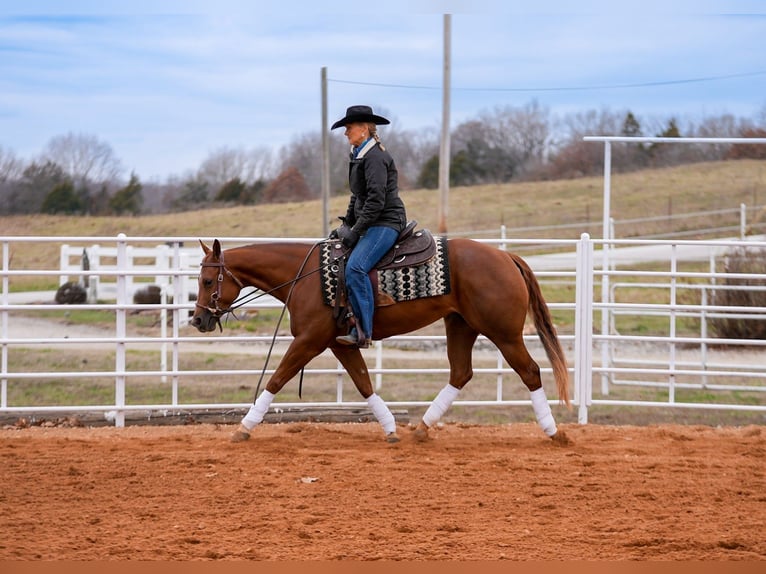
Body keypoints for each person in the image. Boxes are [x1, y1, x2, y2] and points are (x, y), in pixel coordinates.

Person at [329, 105, 407, 348]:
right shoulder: (359, 154)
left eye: (349, 128)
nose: (345, 133)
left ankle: (363, 331)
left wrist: (355, 231)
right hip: (373, 220)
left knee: (356, 268)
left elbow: (376, 201)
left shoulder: (374, 157)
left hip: (386, 221)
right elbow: (358, 196)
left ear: (364, 129)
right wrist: (348, 223)